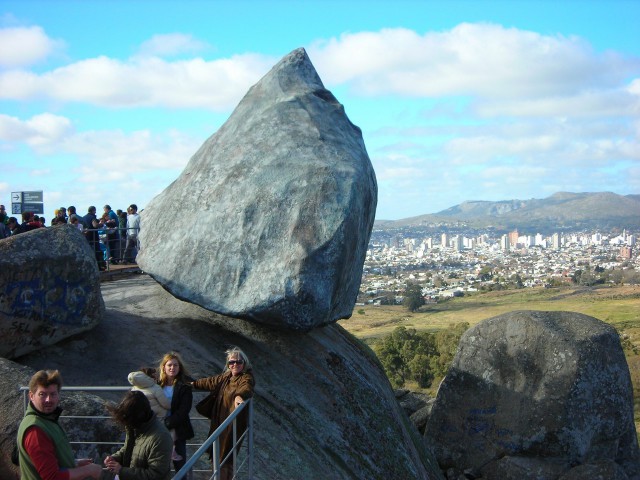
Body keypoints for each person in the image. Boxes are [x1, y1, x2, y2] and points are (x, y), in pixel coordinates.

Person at [16, 369, 103, 480]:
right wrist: (88, 470)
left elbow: (46, 462)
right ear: (31, 396)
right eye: (42, 394)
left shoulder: (46, 420)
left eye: (53, 394)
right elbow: (52, 477)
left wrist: (73, 463)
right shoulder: (36, 430)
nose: (48, 400)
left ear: (58, 395)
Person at [191, 347, 255, 480]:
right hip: (220, 422)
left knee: (224, 457)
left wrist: (239, 396)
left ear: (244, 363)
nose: (235, 365)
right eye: (231, 362)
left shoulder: (246, 377)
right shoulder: (227, 377)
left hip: (232, 424)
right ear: (228, 365)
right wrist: (192, 384)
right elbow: (210, 382)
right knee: (223, 457)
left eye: (238, 361)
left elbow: (247, 388)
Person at [103, 390, 173, 479]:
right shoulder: (136, 427)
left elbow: (156, 474)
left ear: (136, 417)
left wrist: (122, 471)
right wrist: (115, 458)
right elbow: (129, 449)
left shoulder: (161, 438)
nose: (126, 424)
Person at [128, 368, 181, 461]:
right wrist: (173, 406)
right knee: (172, 431)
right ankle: (172, 451)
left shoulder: (134, 388)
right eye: (155, 375)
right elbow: (165, 404)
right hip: (158, 418)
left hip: (143, 420)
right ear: (150, 377)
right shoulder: (155, 387)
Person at [158, 351, 194, 473]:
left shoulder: (184, 385)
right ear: (164, 367)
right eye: (169, 365)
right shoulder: (157, 384)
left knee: (180, 466)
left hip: (178, 429)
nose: (172, 368)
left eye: (175, 365)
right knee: (161, 465)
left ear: (180, 367)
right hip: (159, 430)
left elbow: (184, 409)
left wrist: (168, 423)